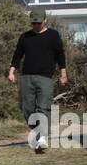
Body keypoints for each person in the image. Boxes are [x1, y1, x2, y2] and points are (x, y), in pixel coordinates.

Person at [8, 8, 66, 153]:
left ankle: (42, 136)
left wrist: (63, 73)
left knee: (43, 107)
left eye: (39, 22)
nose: (36, 25)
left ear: (45, 20)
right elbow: (17, 55)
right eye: (34, 23)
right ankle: (39, 130)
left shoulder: (53, 35)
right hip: (27, 77)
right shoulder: (25, 37)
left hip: (45, 77)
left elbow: (60, 55)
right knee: (26, 108)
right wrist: (12, 71)